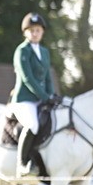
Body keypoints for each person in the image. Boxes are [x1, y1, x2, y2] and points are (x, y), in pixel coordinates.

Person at [9, 12, 56, 175]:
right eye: (31, 30)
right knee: (33, 125)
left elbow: (48, 77)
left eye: (38, 30)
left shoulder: (44, 52)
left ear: (42, 32)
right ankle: (21, 163)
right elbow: (28, 78)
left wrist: (52, 95)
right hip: (24, 99)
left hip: (41, 98)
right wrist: (45, 97)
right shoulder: (22, 51)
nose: (35, 33)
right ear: (25, 32)